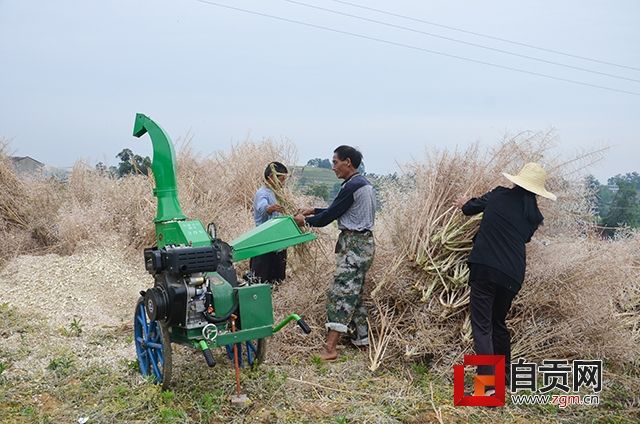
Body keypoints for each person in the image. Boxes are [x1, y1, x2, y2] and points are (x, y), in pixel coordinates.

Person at [453, 162, 556, 387]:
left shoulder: (499, 195)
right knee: (498, 323)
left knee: (481, 326)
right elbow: (522, 238)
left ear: (516, 180)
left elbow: (469, 209)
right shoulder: (535, 216)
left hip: (485, 268)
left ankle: (488, 387)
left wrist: (464, 203)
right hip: (513, 275)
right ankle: (506, 378)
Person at [294, 145, 376, 361]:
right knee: (354, 292)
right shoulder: (360, 183)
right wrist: (314, 210)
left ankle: (330, 349)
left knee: (341, 293)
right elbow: (336, 210)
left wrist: (306, 221)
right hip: (362, 243)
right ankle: (362, 341)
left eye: (335, 162)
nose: (333, 167)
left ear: (347, 162)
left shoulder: (353, 185)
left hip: (354, 245)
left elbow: (328, 218)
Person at [250, 161, 289, 285]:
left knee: (278, 279)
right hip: (264, 243)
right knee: (262, 278)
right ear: (271, 177)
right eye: (282, 180)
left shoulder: (277, 193)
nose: (283, 184)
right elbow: (262, 208)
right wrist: (270, 208)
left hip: (278, 242)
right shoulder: (262, 193)